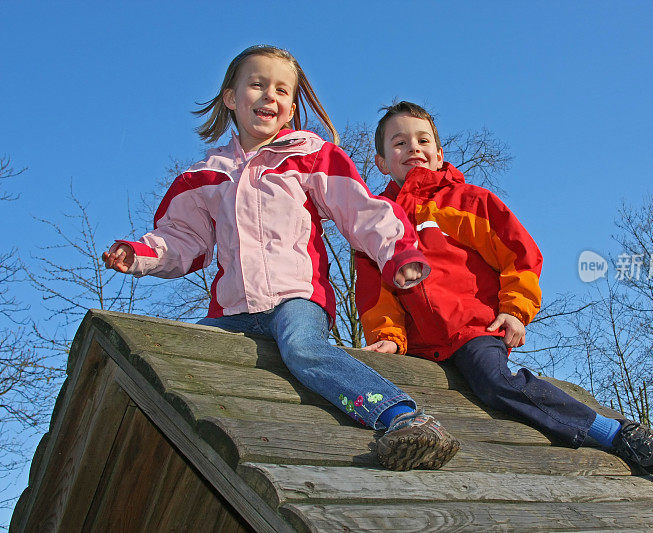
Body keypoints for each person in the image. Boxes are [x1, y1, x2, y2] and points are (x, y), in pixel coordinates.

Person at [102, 48, 459, 471]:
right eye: (257, 84)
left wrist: (397, 252)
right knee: (182, 354)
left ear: (290, 108)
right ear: (231, 98)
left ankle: (401, 418)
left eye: (281, 89)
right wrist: (141, 254)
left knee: (303, 349)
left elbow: (360, 210)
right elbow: (183, 239)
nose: (269, 95)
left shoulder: (309, 156)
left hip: (296, 298)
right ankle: (159, 455)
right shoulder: (206, 175)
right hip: (233, 310)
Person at [355, 101, 653, 483]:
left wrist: (515, 308)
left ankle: (614, 433)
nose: (413, 148)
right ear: (380, 161)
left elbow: (520, 256)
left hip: (473, 330)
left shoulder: (469, 202)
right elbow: (376, 291)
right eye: (399, 143)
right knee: (379, 384)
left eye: (422, 140)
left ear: (439, 153)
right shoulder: (377, 222)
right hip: (418, 345)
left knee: (494, 382)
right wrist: (388, 337)